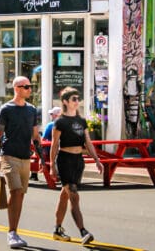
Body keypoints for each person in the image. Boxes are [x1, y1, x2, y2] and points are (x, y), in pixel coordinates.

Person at [0, 76, 41, 249]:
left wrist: (41, 158)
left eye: (31, 86)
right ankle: (11, 233)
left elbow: (36, 136)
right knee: (16, 190)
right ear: (17, 88)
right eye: (26, 87)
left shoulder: (32, 110)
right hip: (9, 155)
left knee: (21, 195)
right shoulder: (6, 109)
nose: (30, 89)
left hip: (25, 157)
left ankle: (15, 231)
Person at [50, 87, 103, 244]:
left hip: (78, 161)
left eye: (78, 98)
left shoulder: (81, 121)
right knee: (74, 195)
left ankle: (57, 229)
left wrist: (97, 160)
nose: (77, 101)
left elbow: (88, 141)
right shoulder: (60, 122)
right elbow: (54, 145)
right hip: (65, 160)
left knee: (65, 195)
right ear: (65, 102)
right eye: (74, 99)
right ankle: (83, 231)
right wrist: (52, 165)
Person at [37, 106, 63, 181]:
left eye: (52, 114)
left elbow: (43, 139)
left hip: (50, 149)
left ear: (56, 115)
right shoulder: (66, 124)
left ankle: (37, 171)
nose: (51, 115)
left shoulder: (51, 125)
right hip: (63, 149)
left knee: (37, 151)